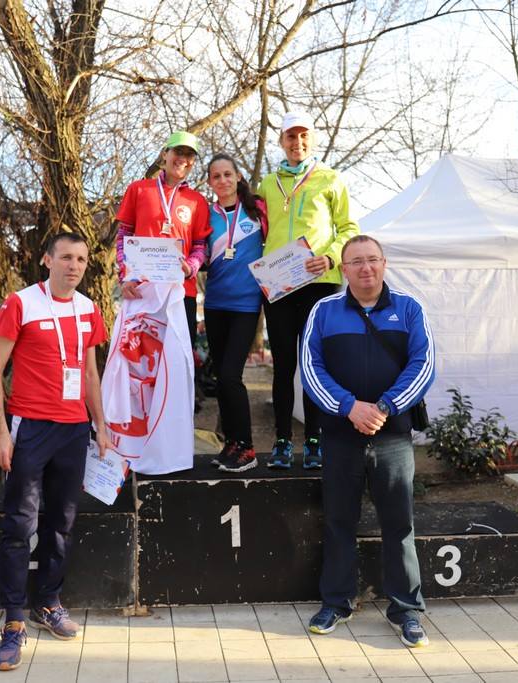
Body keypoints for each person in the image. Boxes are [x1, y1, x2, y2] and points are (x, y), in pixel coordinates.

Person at [300, 235, 435, 647]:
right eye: (356, 261)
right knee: (339, 522)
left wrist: (385, 407)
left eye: (372, 259)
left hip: (392, 436)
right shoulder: (324, 310)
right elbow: (310, 367)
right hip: (341, 436)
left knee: (399, 524)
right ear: (344, 269)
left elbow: (424, 363)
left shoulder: (409, 308)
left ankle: (406, 609)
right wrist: (348, 407)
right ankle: (336, 603)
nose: (365, 268)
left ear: (384, 263)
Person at [0, 233, 109, 671]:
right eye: (66, 257)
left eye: (81, 259)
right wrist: (1, 432)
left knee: (62, 523)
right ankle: (13, 620)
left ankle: (48, 602)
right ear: (47, 260)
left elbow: (89, 373)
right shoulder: (20, 303)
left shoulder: (89, 307)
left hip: (74, 429)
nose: (74, 266)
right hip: (30, 428)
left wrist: (101, 425)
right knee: (20, 524)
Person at [258, 111, 359, 470]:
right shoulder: (268, 184)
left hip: (319, 282)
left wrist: (331, 257)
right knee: (283, 364)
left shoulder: (331, 179)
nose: (297, 143)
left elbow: (348, 228)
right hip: (280, 284)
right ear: (281, 141)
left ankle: (315, 441)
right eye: (290, 136)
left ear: (312, 140)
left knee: (314, 363)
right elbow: (256, 227)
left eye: (303, 136)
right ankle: (283, 441)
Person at [202, 154, 267, 472]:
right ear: (210, 182)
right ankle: (231, 443)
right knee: (220, 377)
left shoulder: (258, 209)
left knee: (231, 375)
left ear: (238, 176)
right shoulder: (206, 215)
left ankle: (247, 447)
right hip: (215, 303)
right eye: (216, 176)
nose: (223, 180)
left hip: (246, 305)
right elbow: (199, 253)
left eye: (228, 174)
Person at [114, 130, 210, 345]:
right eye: (178, 152)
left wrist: (191, 267)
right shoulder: (138, 189)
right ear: (165, 154)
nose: (183, 159)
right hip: (141, 290)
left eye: (189, 155)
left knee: (179, 359)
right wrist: (125, 276)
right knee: (139, 360)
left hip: (181, 292)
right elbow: (123, 236)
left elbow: (200, 246)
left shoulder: (197, 201)